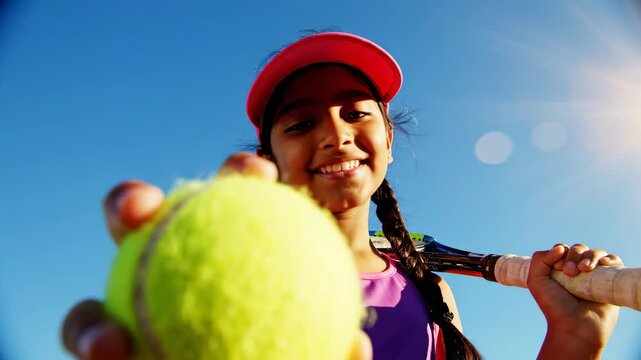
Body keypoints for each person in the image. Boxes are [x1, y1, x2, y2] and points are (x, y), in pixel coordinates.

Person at [62, 32, 622, 360]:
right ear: (268, 161)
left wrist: (573, 338)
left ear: (388, 140)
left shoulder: (430, 292)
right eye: (301, 124)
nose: (334, 133)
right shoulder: (219, 274)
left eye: (356, 112)